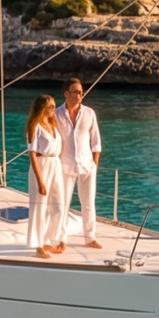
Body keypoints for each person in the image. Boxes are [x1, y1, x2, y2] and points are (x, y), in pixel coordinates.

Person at [56, 78, 104, 249]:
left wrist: (95, 164)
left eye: (81, 92)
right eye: (76, 92)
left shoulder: (89, 113)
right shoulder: (56, 114)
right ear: (66, 94)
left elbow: (95, 141)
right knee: (62, 204)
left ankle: (90, 237)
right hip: (64, 165)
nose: (80, 95)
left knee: (88, 203)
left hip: (87, 165)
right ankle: (61, 239)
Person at [25, 95, 66, 257]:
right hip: (42, 165)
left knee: (58, 204)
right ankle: (38, 244)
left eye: (54, 106)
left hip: (55, 164)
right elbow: (32, 154)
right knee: (39, 206)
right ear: (41, 107)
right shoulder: (35, 126)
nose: (53, 110)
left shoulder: (52, 125)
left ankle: (49, 239)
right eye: (50, 107)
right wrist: (40, 180)